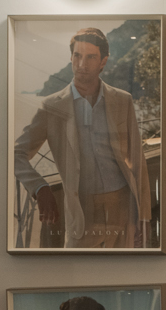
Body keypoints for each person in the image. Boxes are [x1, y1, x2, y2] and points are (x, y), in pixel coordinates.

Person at [13, 26, 150, 248]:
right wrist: (40, 187)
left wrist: (143, 216)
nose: (81, 64)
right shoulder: (51, 107)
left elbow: (137, 159)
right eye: (77, 56)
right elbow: (16, 154)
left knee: (122, 276)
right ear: (71, 57)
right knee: (78, 276)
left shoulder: (122, 100)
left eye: (90, 57)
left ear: (103, 62)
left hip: (123, 207)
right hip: (81, 211)